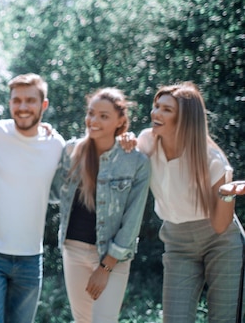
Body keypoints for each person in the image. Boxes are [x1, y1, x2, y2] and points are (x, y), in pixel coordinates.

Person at [135, 82, 243, 323]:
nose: (156, 113)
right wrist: (123, 141)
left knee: (224, 319)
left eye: (166, 109)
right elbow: (125, 164)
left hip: (221, 243)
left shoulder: (212, 159)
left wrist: (227, 193)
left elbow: (219, 226)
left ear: (185, 118)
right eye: (156, 106)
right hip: (177, 242)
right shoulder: (148, 142)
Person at [0, 73, 65, 323]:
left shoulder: (56, 144)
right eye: (16, 100)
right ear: (9, 103)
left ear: (44, 105)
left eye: (30, 101)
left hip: (31, 260)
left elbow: (58, 192)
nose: (22, 107)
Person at [49, 88, 151, 323]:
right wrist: (42, 133)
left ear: (120, 121)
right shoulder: (71, 151)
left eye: (103, 116)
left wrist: (105, 267)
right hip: (73, 249)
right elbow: (52, 191)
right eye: (91, 113)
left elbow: (132, 221)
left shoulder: (135, 161)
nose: (93, 121)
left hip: (112, 255)